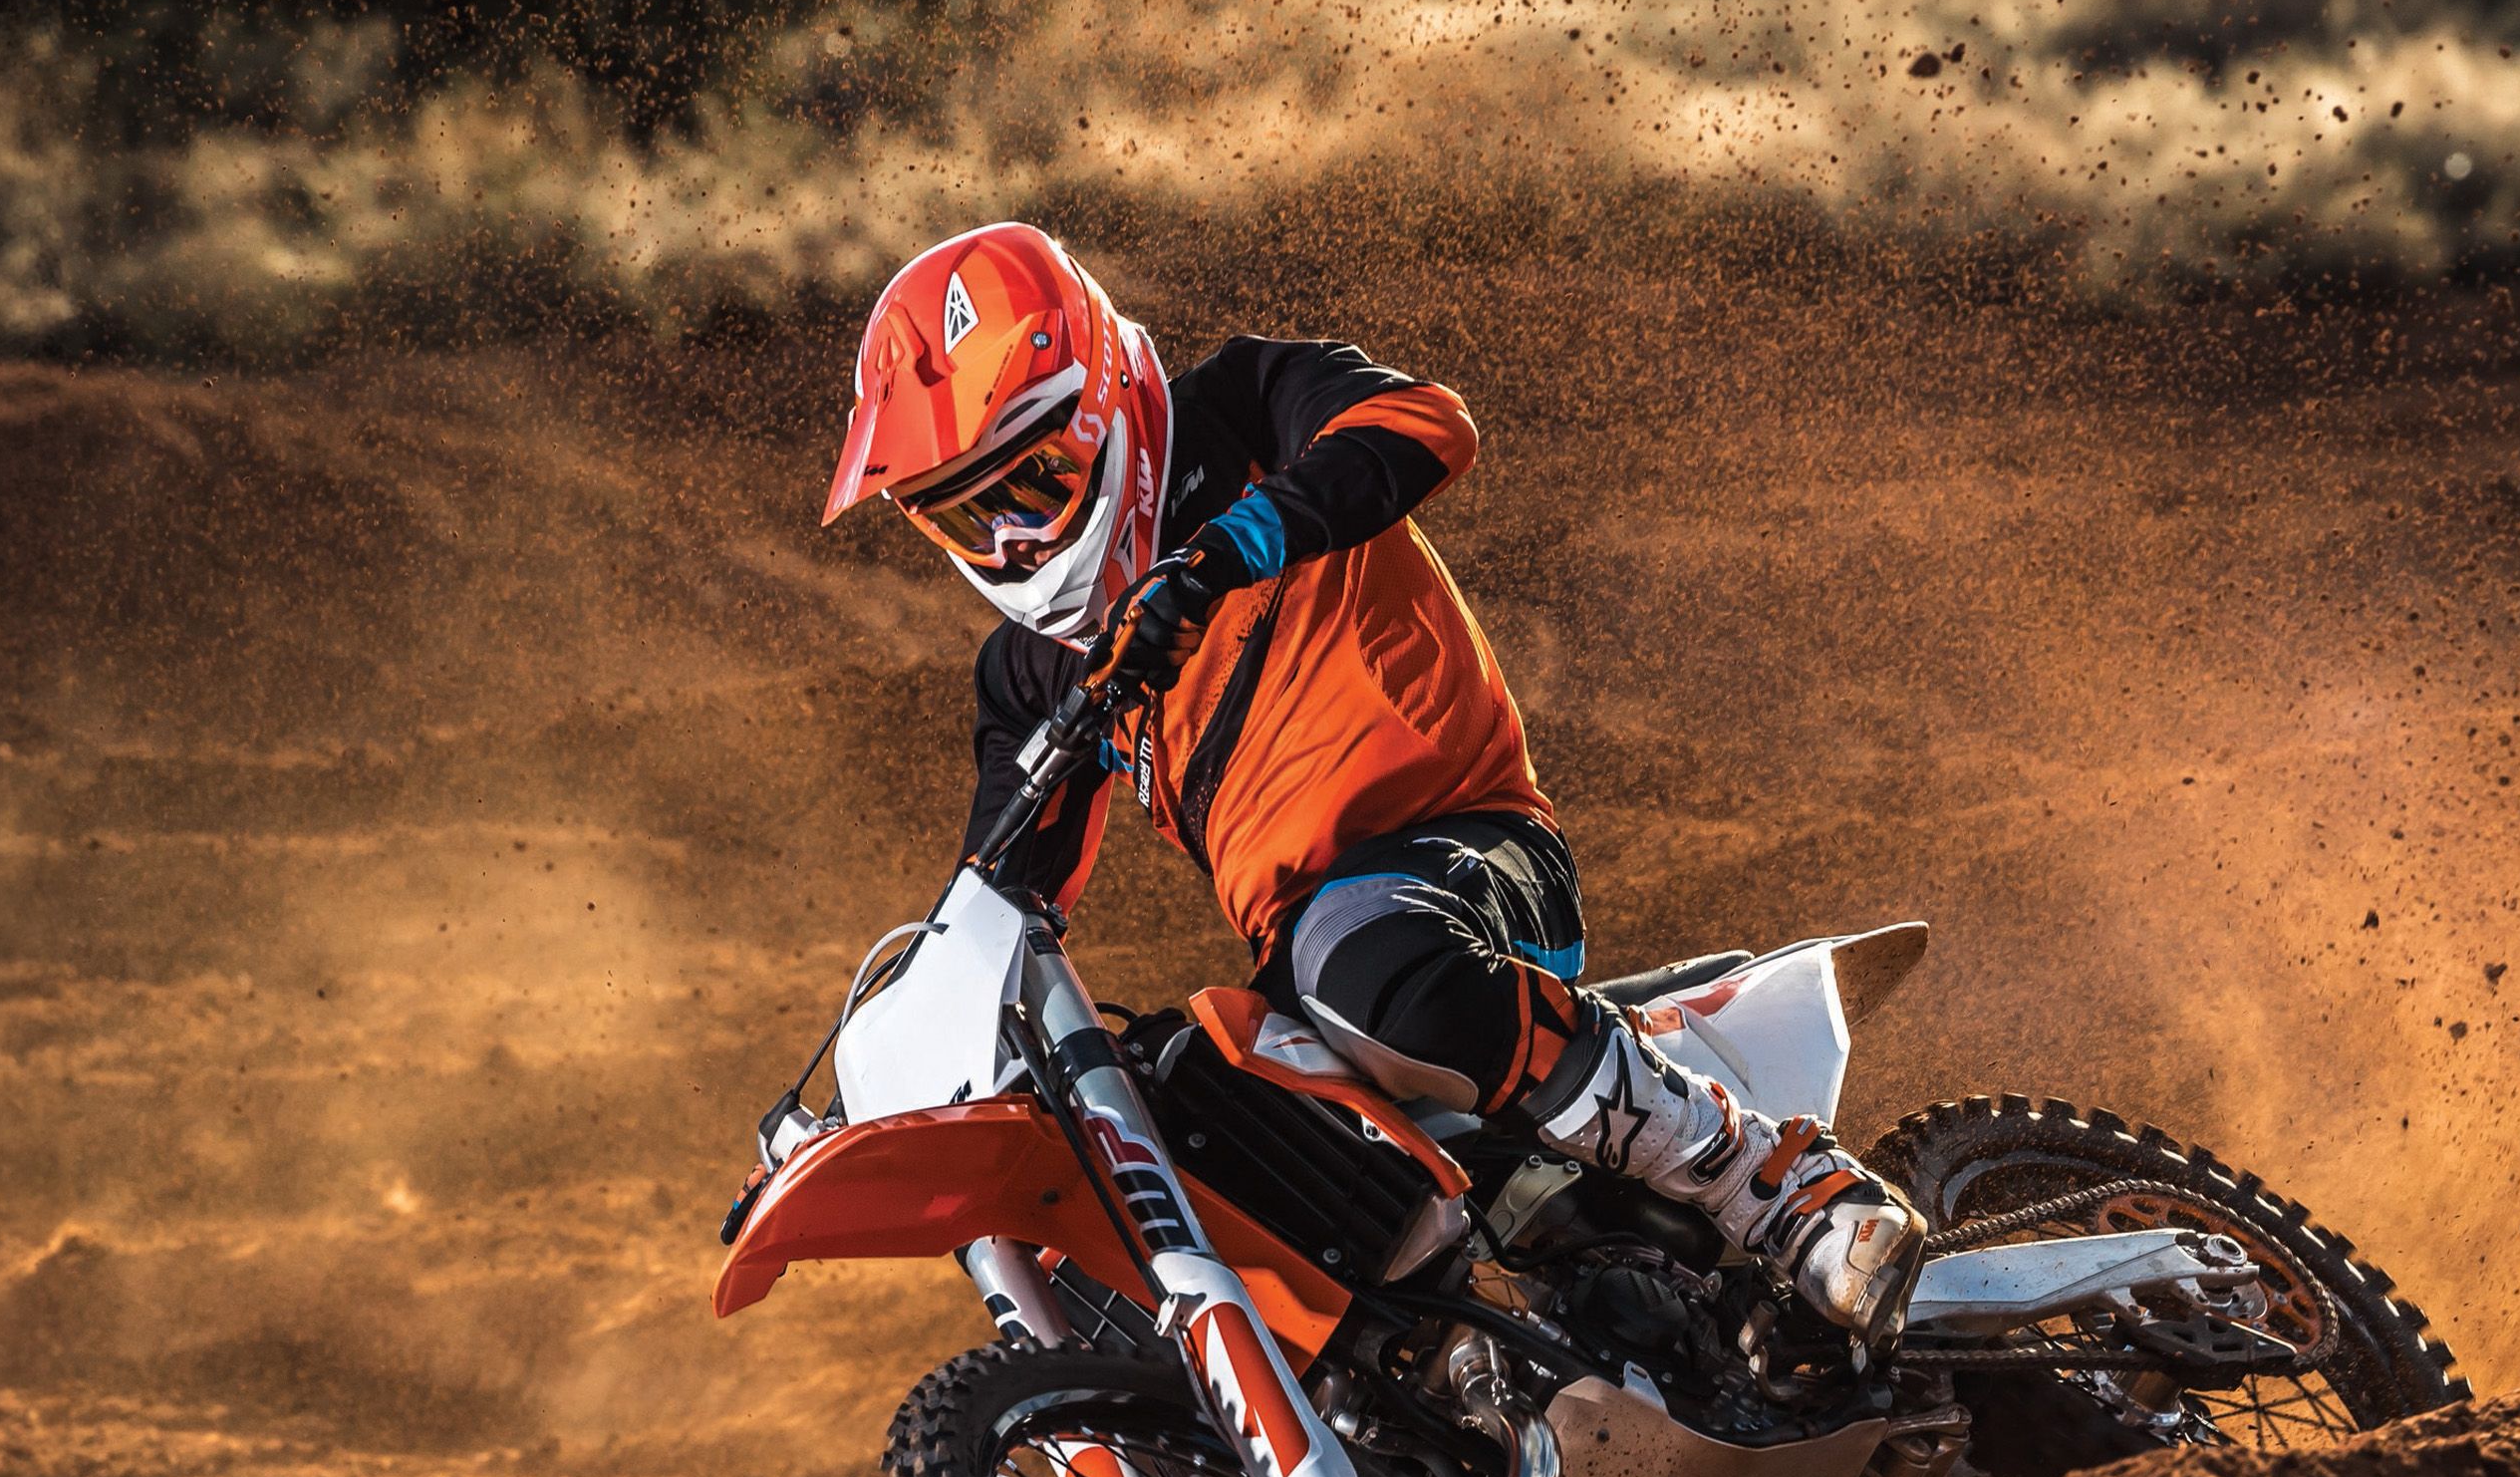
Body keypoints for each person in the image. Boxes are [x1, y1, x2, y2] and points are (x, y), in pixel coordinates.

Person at [820, 221, 1917, 1336]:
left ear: (1101, 405)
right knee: (1159, 1138)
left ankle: (1772, 1182)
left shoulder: (1242, 405)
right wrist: (867, 1103)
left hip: (1469, 850)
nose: (1011, 543)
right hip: (1306, 965)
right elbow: (994, 904)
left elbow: (1427, 424)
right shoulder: (1029, 673)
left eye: (1034, 484)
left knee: (1352, 952)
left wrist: (1216, 559)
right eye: (968, 516)